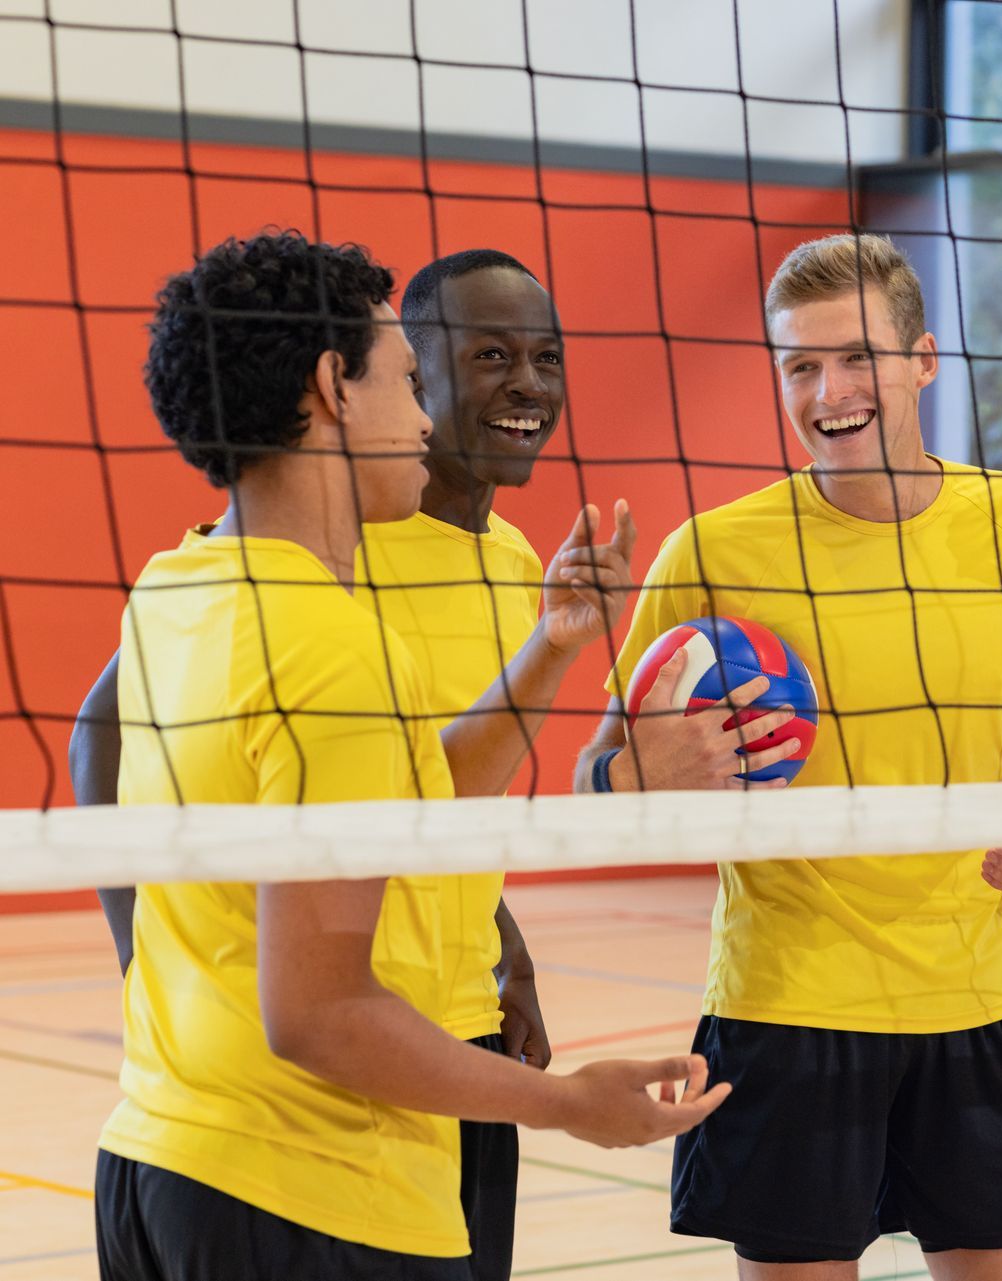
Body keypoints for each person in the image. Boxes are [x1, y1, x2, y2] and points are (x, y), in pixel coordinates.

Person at [93, 230, 726, 1281]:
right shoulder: (332, 646)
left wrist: (551, 646)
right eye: (403, 377)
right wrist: (570, 1104)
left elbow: (415, 798)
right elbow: (321, 1014)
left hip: (160, 1158)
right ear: (332, 389)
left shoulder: (175, 588)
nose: (425, 413)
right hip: (313, 1184)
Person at [576, 232, 1002, 1278]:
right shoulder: (716, 552)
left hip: (973, 1005)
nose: (829, 390)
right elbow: (603, 770)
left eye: (856, 357)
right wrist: (643, 776)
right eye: (800, 366)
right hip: (786, 1011)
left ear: (924, 359)